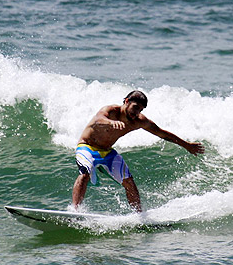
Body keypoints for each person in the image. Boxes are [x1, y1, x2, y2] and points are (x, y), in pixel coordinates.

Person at [72, 90, 204, 212]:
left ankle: (139, 215)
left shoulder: (138, 121)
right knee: (85, 173)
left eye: (140, 110)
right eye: (135, 107)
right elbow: (98, 119)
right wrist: (110, 123)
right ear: (127, 101)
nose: (136, 113)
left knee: (129, 182)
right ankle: (76, 210)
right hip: (87, 146)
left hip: (107, 152)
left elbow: (162, 134)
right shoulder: (111, 111)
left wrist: (187, 145)